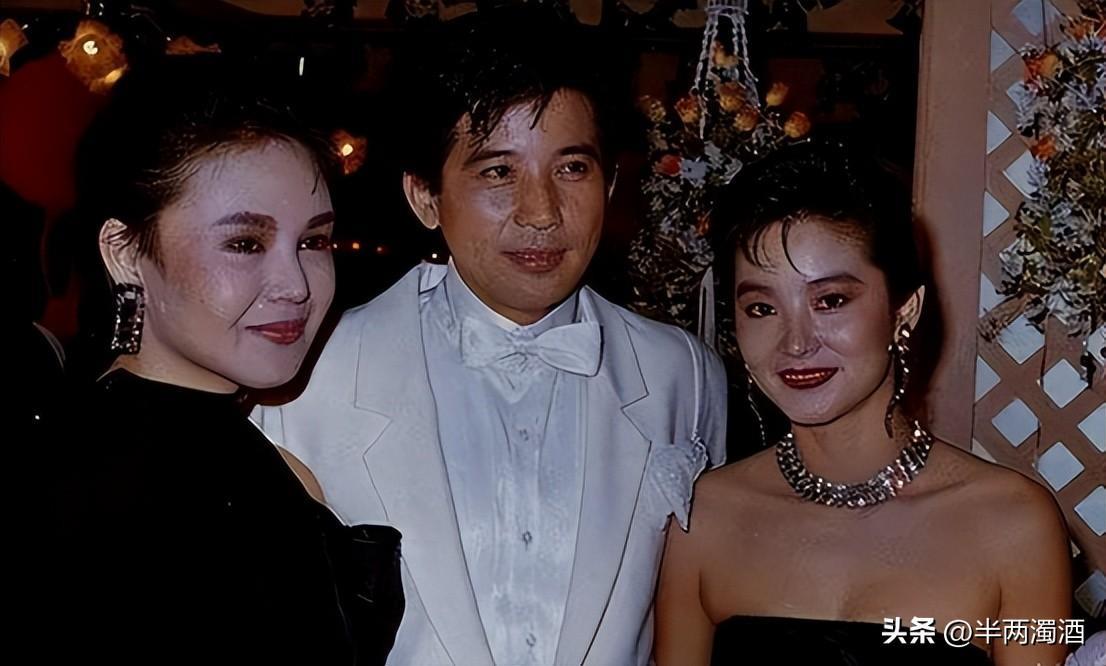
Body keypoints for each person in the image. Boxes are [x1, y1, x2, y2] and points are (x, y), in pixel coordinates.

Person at [252, 8, 728, 666]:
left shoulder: (683, 373)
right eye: (498, 172)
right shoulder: (306, 379)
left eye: (572, 168)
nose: (541, 213)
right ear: (424, 196)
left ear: (611, 183)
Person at [655, 141, 1071, 666]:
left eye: (830, 301)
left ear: (904, 310)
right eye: (761, 308)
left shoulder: (1013, 524)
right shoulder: (703, 518)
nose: (795, 343)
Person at [47, 57, 403, 665]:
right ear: (125, 252)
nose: (296, 285)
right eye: (245, 243)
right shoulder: (88, 485)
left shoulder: (256, 461)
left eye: (314, 241)